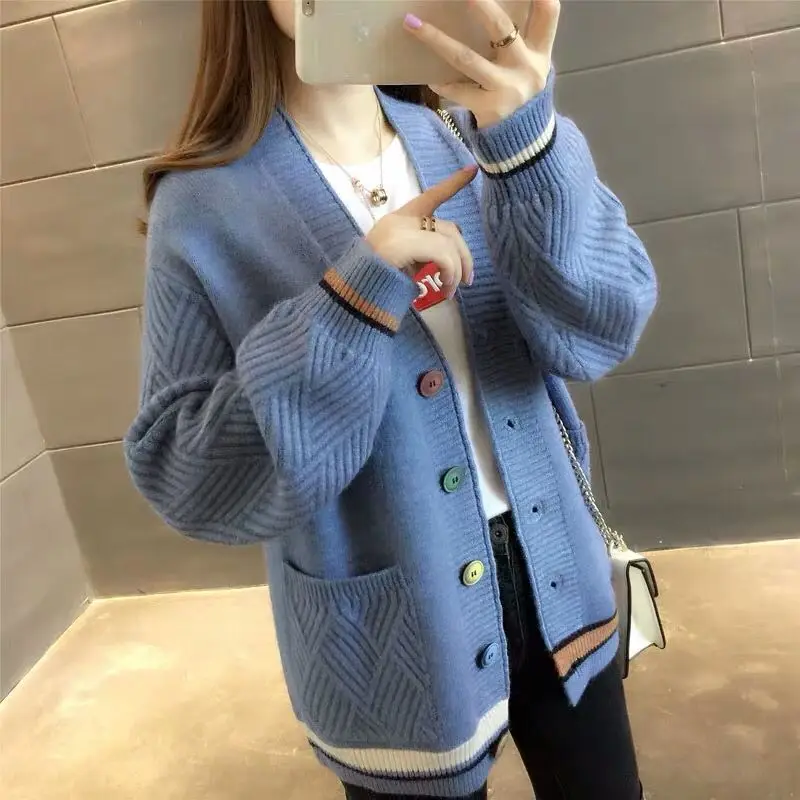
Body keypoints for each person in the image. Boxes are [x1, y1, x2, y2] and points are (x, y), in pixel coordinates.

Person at [125, 1, 657, 798]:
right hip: (390, 636)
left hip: (562, 584)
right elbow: (184, 473)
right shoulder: (201, 207)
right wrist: (350, 302)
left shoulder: (472, 135)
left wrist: (533, 150)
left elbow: (604, 327)